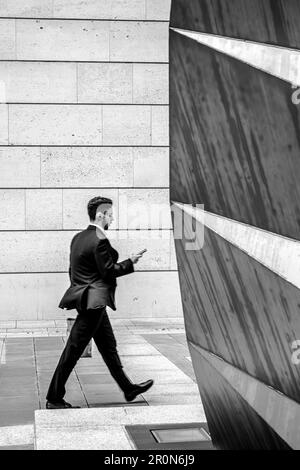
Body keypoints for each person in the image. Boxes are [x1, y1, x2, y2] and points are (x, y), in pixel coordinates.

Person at [46, 196, 153, 409]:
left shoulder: (78, 238)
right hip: (94, 303)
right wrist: (130, 262)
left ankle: (128, 389)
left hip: (90, 302)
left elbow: (73, 271)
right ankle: (54, 397)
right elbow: (108, 271)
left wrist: (80, 293)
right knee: (73, 350)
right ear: (100, 215)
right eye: (110, 215)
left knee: (108, 347)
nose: (112, 220)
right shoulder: (99, 240)